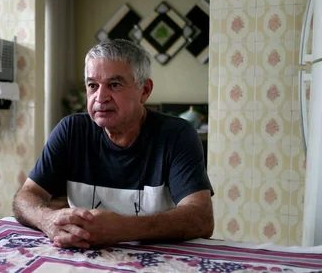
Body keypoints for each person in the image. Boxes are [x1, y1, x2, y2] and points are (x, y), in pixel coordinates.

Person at [12, 39, 214, 249]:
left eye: (114, 85)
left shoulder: (177, 134)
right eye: (92, 86)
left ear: (144, 90)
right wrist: (47, 219)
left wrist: (121, 229)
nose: (100, 97)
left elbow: (201, 218)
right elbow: (26, 196)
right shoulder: (71, 130)